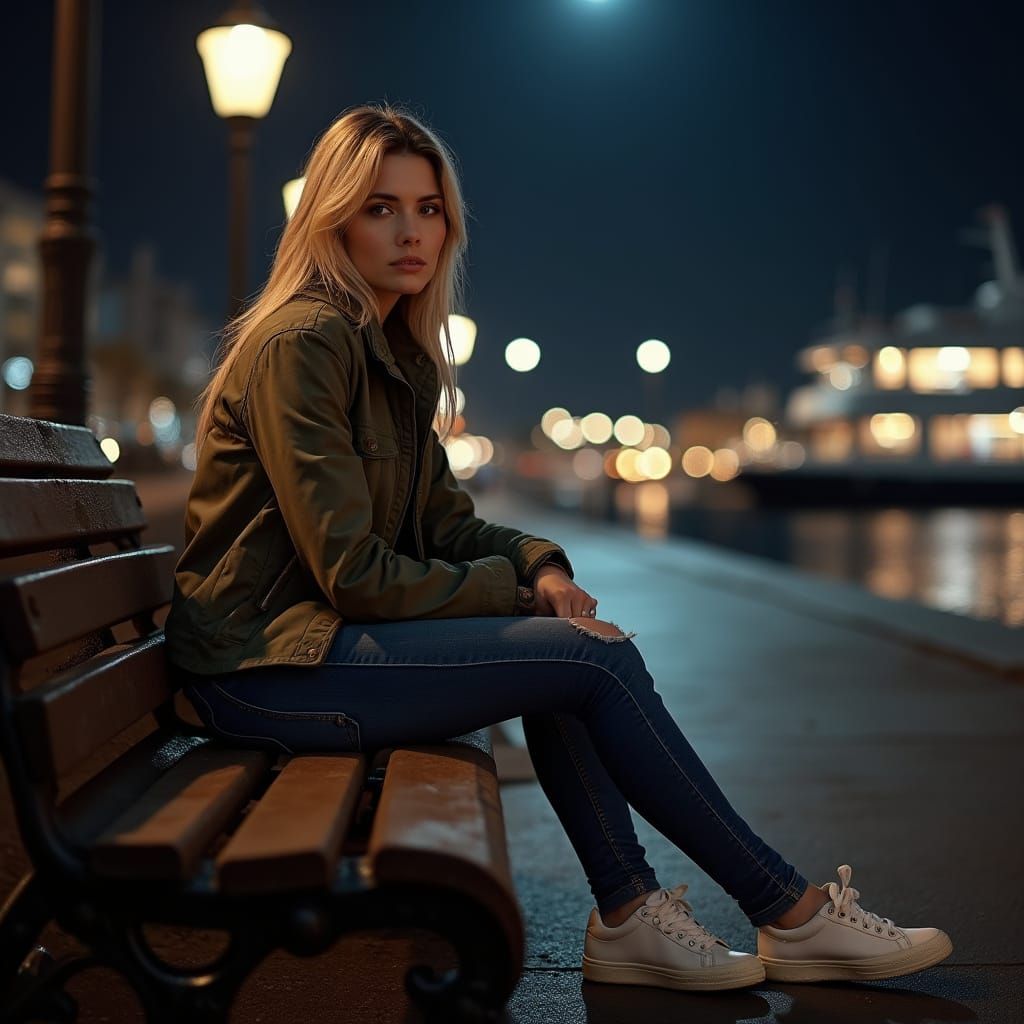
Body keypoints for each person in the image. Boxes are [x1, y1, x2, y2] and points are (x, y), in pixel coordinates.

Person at [166, 103, 952, 992]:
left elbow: (449, 523)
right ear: (331, 217)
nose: (411, 231)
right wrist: (514, 593)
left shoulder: (390, 355)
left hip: (315, 650)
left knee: (573, 656)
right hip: (262, 672)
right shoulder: (305, 344)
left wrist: (539, 565)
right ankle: (786, 910)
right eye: (381, 207)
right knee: (591, 664)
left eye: (428, 209)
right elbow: (352, 574)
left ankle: (631, 916)